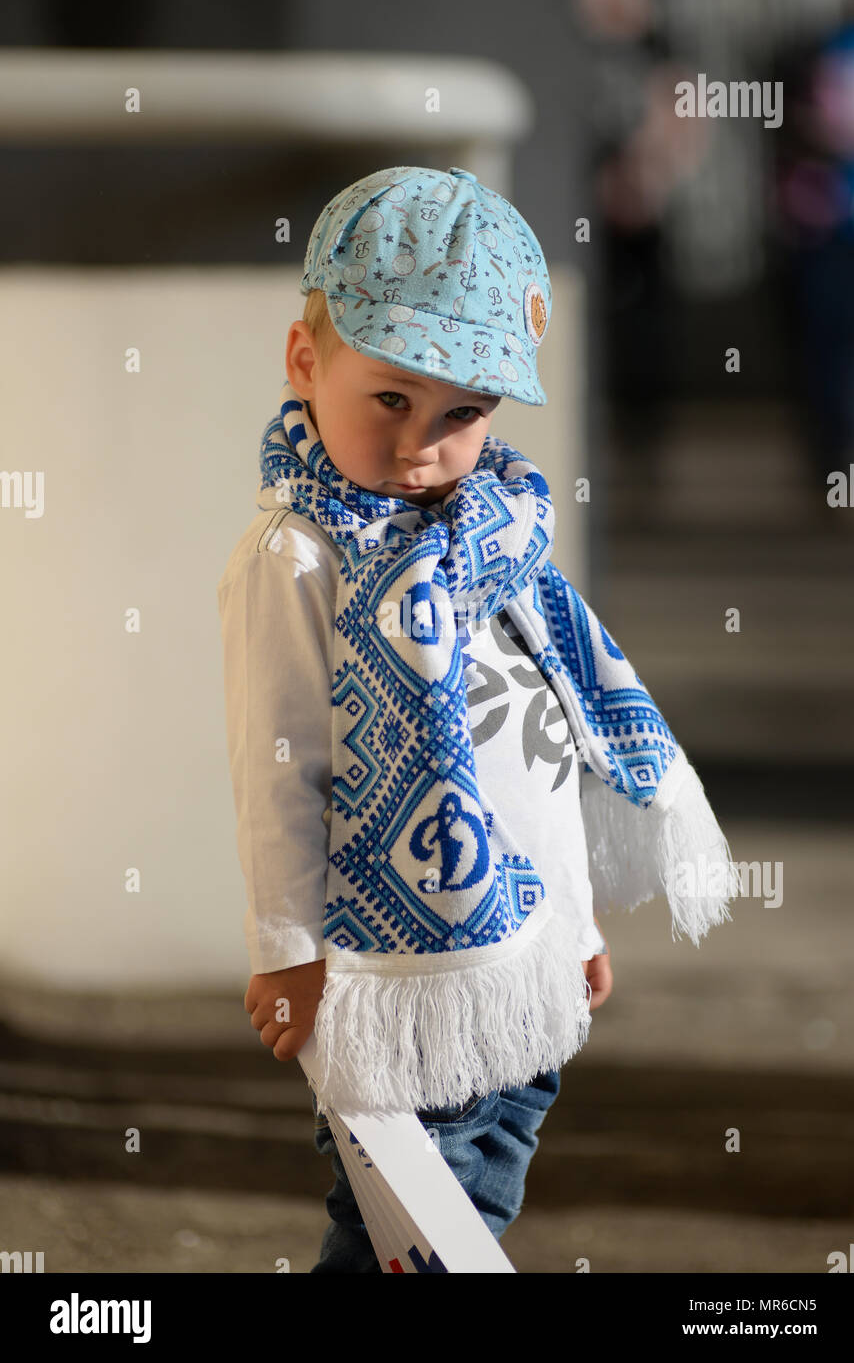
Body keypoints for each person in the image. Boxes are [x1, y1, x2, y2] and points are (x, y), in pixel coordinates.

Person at [217, 165, 738, 1272]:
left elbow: (541, 746)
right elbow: (279, 768)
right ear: (307, 362)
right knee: (419, 1231)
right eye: (392, 399)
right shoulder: (299, 556)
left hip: (521, 955)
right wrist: (287, 951)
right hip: (402, 977)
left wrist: (578, 925)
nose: (423, 445)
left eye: (463, 413)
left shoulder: (492, 529)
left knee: (474, 1200)